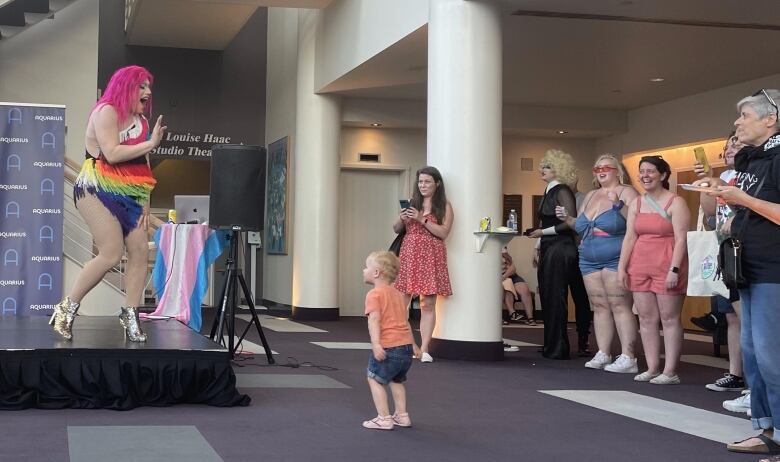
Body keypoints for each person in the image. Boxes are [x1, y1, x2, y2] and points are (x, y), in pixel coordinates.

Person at [51, 65, 166, 342]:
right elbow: (112, 154)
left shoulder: (142, 122)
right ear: (127, 85)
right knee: (111, 253)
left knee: (139, 249)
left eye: (149, 87)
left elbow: (142, 163)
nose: (148, 92)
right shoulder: (106, 111)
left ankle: (130, 315)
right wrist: (151, 144)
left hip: (131, 190)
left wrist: (146, 200)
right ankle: (66, 309)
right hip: (96, 188)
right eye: (142, 86)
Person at [707, 89, 780, 460]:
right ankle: (767, 429)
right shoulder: (754, 161)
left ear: (771, 119)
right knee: (753, 352)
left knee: (772, 354)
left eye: (745, 116)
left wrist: (744, 201)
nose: (737, 123)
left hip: (774, 271)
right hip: (749, 269)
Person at [559, 154, 640, 373]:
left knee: (619, 304)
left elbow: (637, 221)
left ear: (618, 171)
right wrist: (567, 219)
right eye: (597, 169)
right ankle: (603, 351)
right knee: (600, 306)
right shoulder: (592, 195)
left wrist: (618, 205)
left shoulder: (627, 191)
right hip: (588, 256)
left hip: (615, 254)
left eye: (606, 167)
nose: (601, 171)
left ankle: (628, 356)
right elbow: (581, 226)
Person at [618, 156, 689, 385]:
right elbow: (630, 237)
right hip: (640, 264)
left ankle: (670, 371)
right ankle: (651, 367)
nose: (645, 176)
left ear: (663, 175)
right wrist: (622, 267)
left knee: (669, 318)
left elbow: (681, 239)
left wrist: (674, 269)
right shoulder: (637, 203)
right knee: (646, 318)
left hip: (667, 263)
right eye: (642, 172)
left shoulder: (676, 202)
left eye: (650, 171)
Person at [692, 133, 747, 394]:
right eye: (727, 146)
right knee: (732, 317)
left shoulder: (751, 173)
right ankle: (735, 373)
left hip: (747, 248)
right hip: (725, 249)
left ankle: (755, 380)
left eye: (736, 144)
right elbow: (711, 210)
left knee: (748, 317)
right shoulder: (724, 177)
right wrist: (707, 181)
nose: (729, 149)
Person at [527, 149, 591, 360]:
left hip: (561, 248)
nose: (542, 170)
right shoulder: (550, 190)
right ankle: (552, 344)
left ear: (559, 170)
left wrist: (541, 233)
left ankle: (558, 347)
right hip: (550, 246)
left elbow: (570, 222)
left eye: (547, 166)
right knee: (549, 296)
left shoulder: (562, 190)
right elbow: (549, 222)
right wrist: (539, 241)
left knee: (556, 297)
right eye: (542, 166)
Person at [393, 166, 453, 363]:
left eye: (427, 181)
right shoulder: (412, 203)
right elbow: (396, 229)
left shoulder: (444, 205)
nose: (423, 185)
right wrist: (402, 219)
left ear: (437, 183)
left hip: (431, 254)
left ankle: (425, 348)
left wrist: (421, 219)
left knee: (428, 303)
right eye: (420, 182)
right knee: (401, 303)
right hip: (409, 252)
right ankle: (411, 345)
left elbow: (444, 232)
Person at [362, 251, 418, 430]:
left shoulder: (374, 294)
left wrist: (376, 344)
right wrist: (414, 344)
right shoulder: (398, 294)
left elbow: (374, 320)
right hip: (405, 347)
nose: (363, 270)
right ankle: (402, 416)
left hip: (389, 346)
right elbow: (405, 320)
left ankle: (384, 418)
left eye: (366, 267)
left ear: (376, 273)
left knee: (375, 379)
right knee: (397, 380)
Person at [501, 247, 535, 326]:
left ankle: (530, 318)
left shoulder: (504, 251)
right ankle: (511, 312)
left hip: (509, 276)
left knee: (524, 289)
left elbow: (512, 269)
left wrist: (504, 277)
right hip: (497, 278)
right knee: (506, 287)